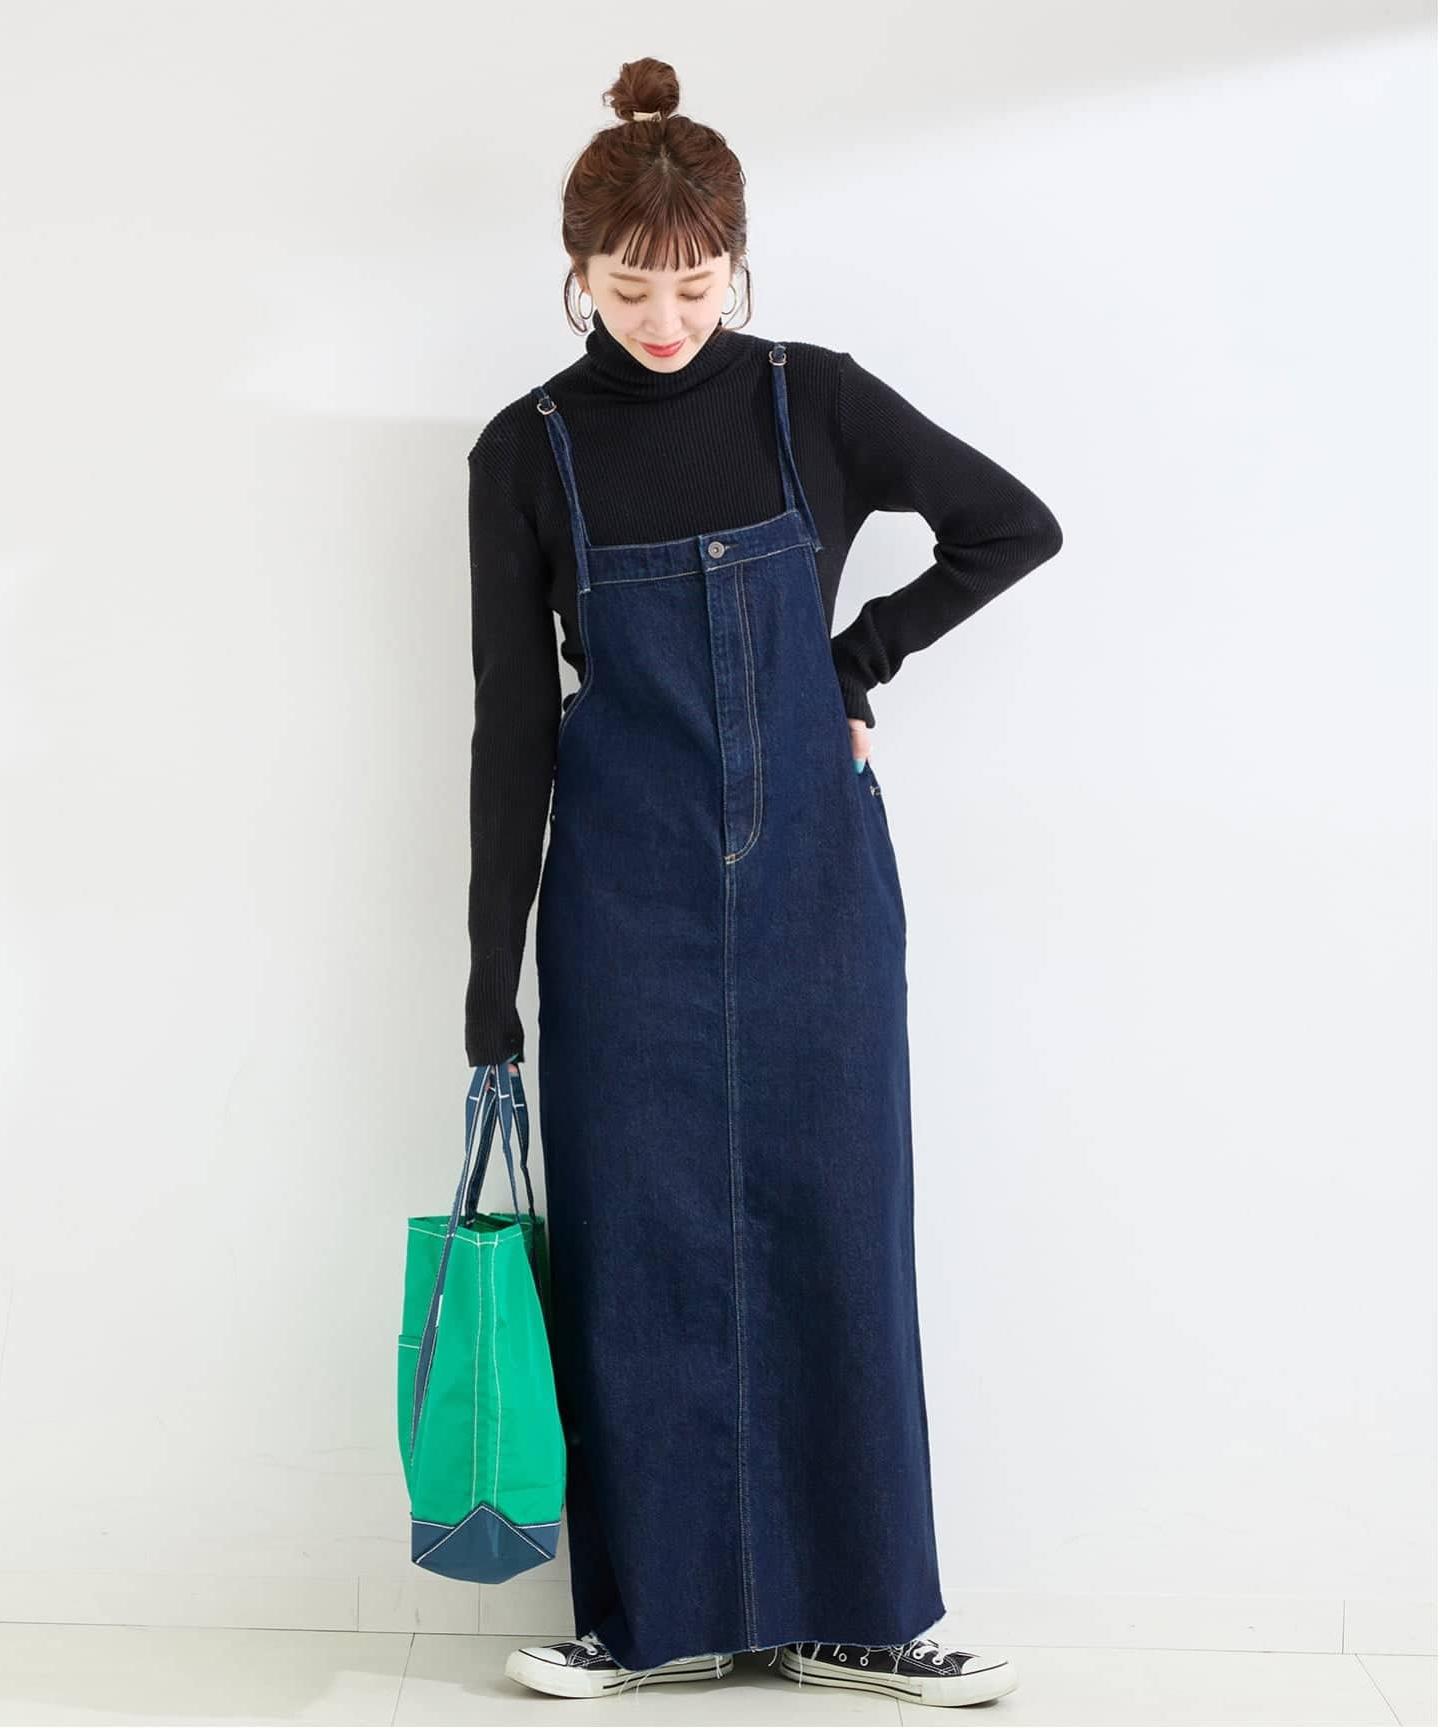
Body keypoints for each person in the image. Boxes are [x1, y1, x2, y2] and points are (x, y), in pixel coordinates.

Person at [465, 57, 1062, 1709]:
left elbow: (1012, 527)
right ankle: (645, 1621)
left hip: (813, 881)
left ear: (738, 260)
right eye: (630, 286)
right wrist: (487, 970)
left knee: (838, 1224)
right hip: (620, 898)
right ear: (578, 270)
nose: (666, 318)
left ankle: (868, 1614)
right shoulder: (527, 450)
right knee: (635, 1242)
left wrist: (851, 661)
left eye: (697, 281)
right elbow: (513, 721)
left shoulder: (816, 399)